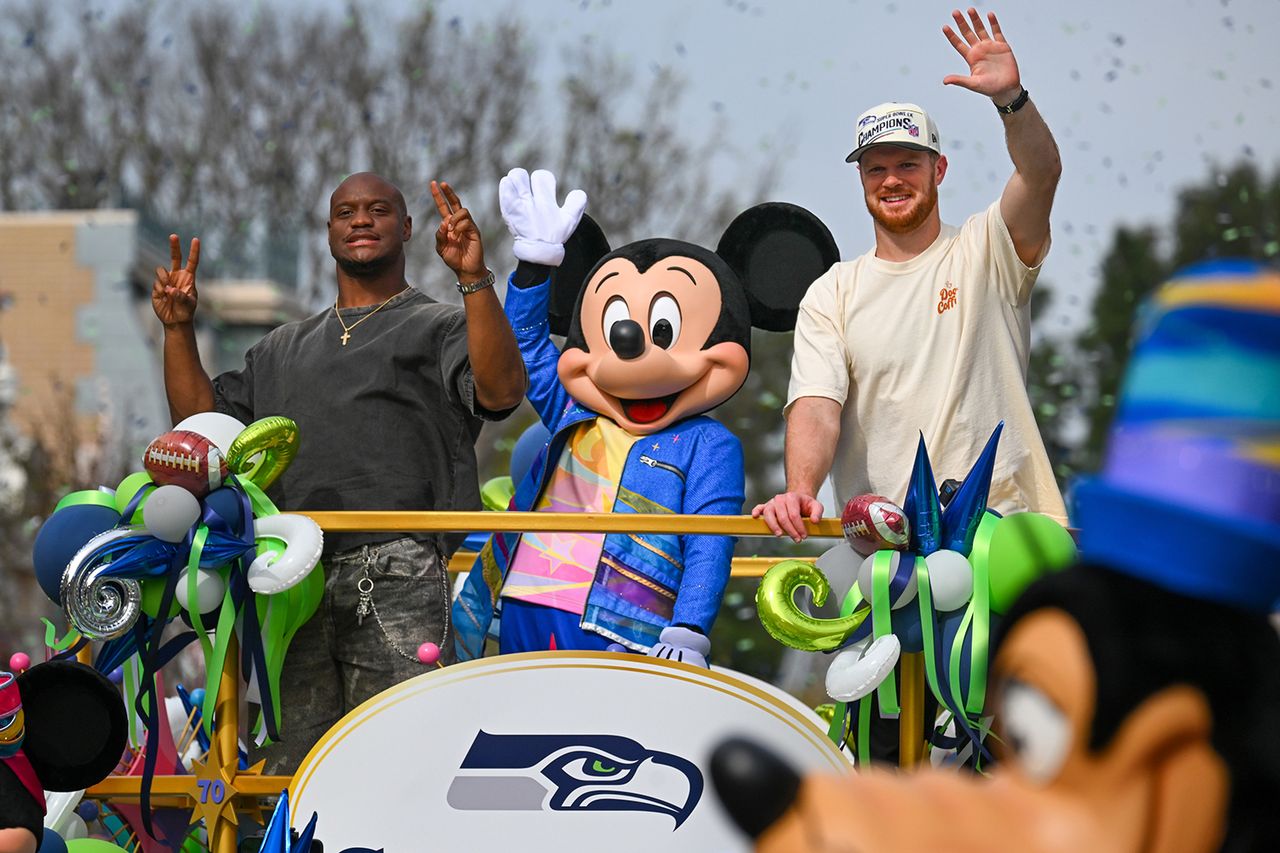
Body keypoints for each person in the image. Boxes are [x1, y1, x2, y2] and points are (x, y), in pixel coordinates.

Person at [151, 172, 526, 773]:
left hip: (398, 567)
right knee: (291, 773)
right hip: (288, 578)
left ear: (406, 228)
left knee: (403, 761)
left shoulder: (439, 325)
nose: (360, 219)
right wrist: (176, 329)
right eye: (345, 211)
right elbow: (203, 433)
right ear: (327, 232)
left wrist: (473, 279)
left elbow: (503, 389)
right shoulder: (278, 348)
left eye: (378, 210)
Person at [754, 8, 1067, 542]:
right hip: (889, 556)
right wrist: (801, 488)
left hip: (1006, 537)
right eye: (877, 168)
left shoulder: (986, 248)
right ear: (861, 178)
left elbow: (1040, 174)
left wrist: (1010, 101)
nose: (891, 180)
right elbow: (816, 404)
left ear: (938, 169)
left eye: (908, 164)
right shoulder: (833, 292)